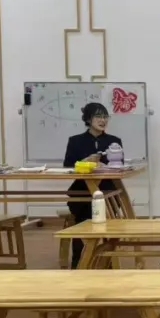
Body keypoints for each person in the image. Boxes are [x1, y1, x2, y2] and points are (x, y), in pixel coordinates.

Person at [63, 102, 123, 269]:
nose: (103, 120)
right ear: (88, 119)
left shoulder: (114, 141)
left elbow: (119, 166)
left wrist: (105, 166)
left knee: (106, 218)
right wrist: (85, 162)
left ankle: (107, 262)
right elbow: (68, 166)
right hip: (82, 190)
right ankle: (78, 262)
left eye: (105, 117)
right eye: (98, 116)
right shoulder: (75, 141)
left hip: (107, 190)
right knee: (81, 222)